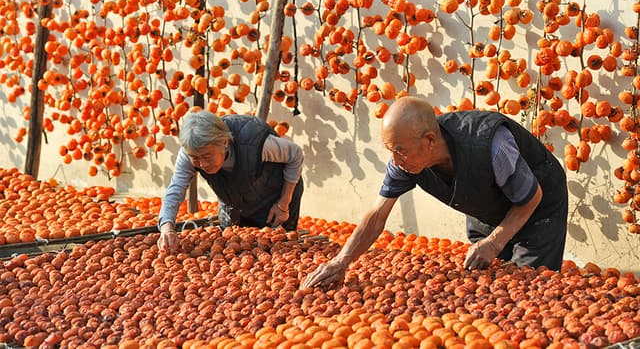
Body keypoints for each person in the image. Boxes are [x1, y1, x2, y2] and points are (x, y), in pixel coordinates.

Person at [303, 96, 568, 288]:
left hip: (537, 205)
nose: (395, 160)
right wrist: (340, 262)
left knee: (529, 285)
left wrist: (494, 242)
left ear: (429, 140)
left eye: (400, 150)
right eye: (391, 150)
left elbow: (530, 198)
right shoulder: (404, 160)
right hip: (485, 206)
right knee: (491, 285)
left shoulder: (491, 145)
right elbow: (377, 216)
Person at [157, 110, 304, 252]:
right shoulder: (191, 150)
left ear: (225, 142)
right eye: (195, 158)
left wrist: (283, 203)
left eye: (207, 156)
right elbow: (176, 188)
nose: (202, 164)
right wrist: (167, 227)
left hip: (274, 195)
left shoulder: (255, 141)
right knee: (236, 247)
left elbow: (295, 155)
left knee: (280, 248)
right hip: (234, 199)